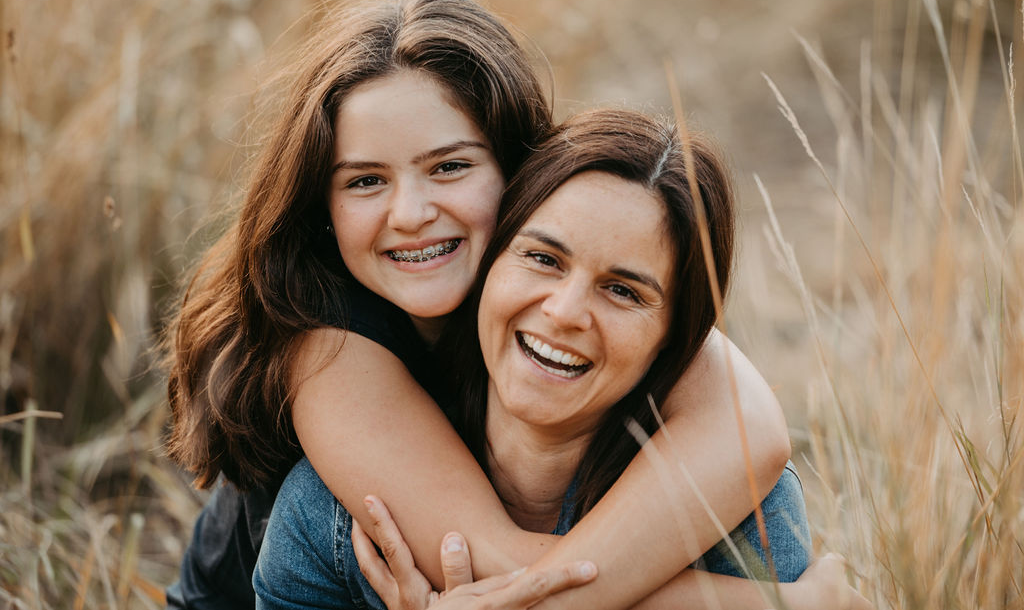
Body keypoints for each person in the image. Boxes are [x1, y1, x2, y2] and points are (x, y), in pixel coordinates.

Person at [164, 0, 793, 609]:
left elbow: (752, 429)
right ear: (322, 205)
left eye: (450, 167)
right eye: (364, 180)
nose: (410, 214)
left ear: (523, 171)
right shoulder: (321, 335)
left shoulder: (553, 284)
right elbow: (499, 564)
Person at [253, 109, 856, 609]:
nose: (565, 312)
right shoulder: (335, 514)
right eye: (542, 258)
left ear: (676, 338)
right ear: (488, 263)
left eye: (623, 291)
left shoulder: (738, 514)